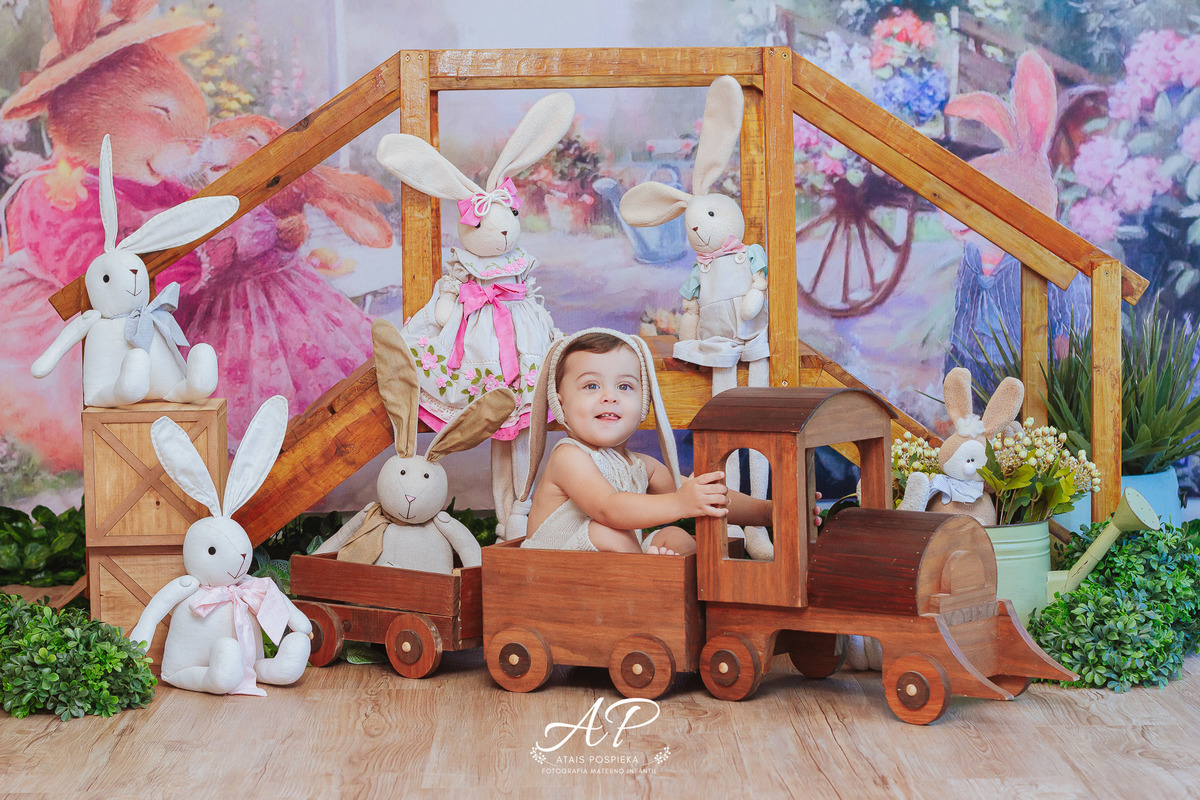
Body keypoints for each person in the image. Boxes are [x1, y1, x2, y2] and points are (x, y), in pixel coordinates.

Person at [520, 328, 772, 555]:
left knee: (675, 537)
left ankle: (660, 581)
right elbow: (609, 508)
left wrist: (768, 512)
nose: (610, 396)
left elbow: (705, 495)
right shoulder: (569, 456)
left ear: (644, 402)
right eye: (591, 385)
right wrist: (679, 503)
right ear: (561, 404)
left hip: (615, 562)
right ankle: (646, 577)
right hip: (549, 567)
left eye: (624, 386)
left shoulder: (642, 466)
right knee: (607, 530)